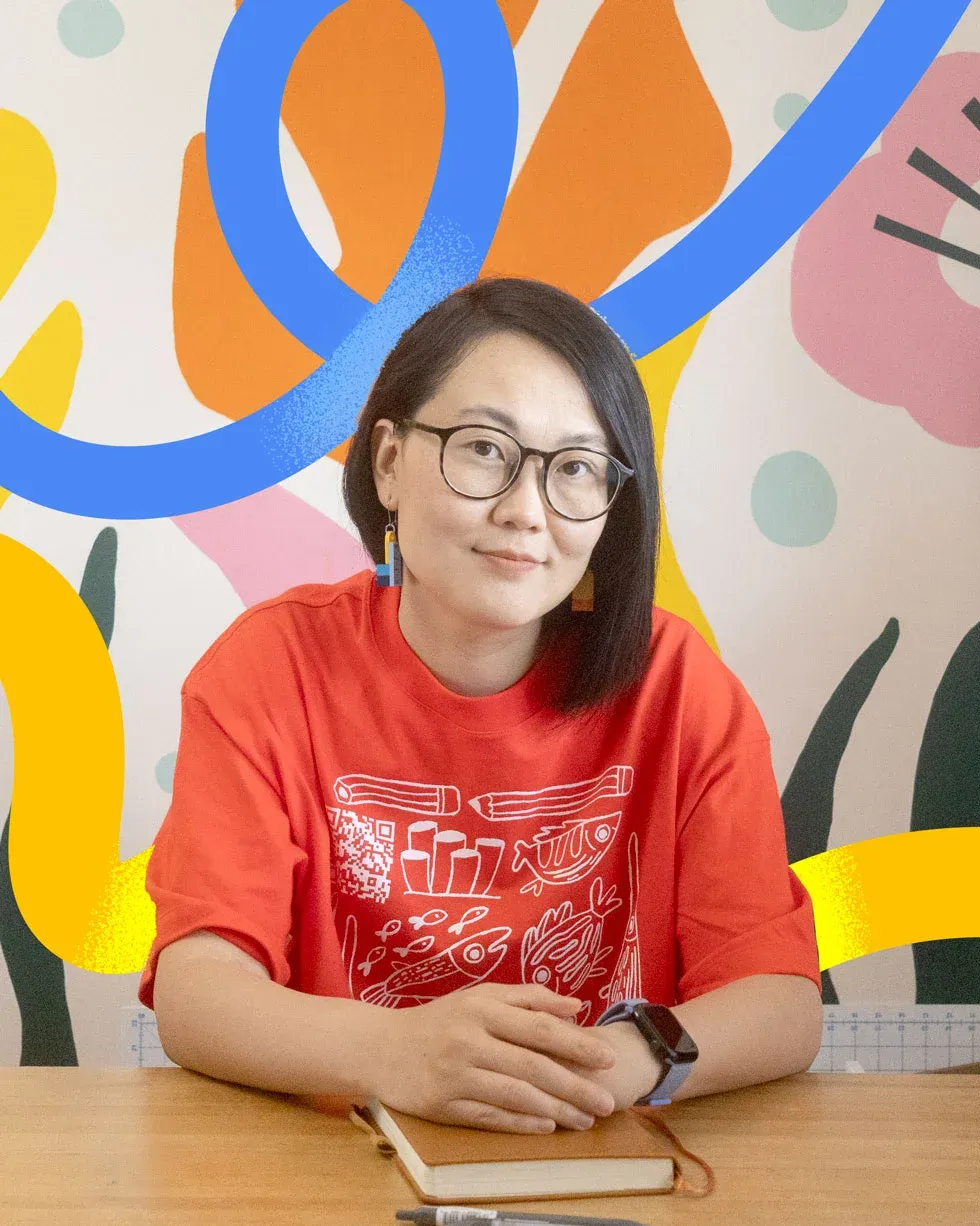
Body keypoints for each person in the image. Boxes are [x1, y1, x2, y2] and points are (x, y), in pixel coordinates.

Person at [141, 277, 822, 1135]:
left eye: (576, 468)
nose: (525, 511)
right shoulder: (268, 672)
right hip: (339, 1168)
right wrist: (397, 1052)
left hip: (603, 1161)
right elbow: (197, 992)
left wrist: (614, 1064)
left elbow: (780, 1003)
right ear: (389, 463)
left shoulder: (680, 687)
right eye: (484, 449)